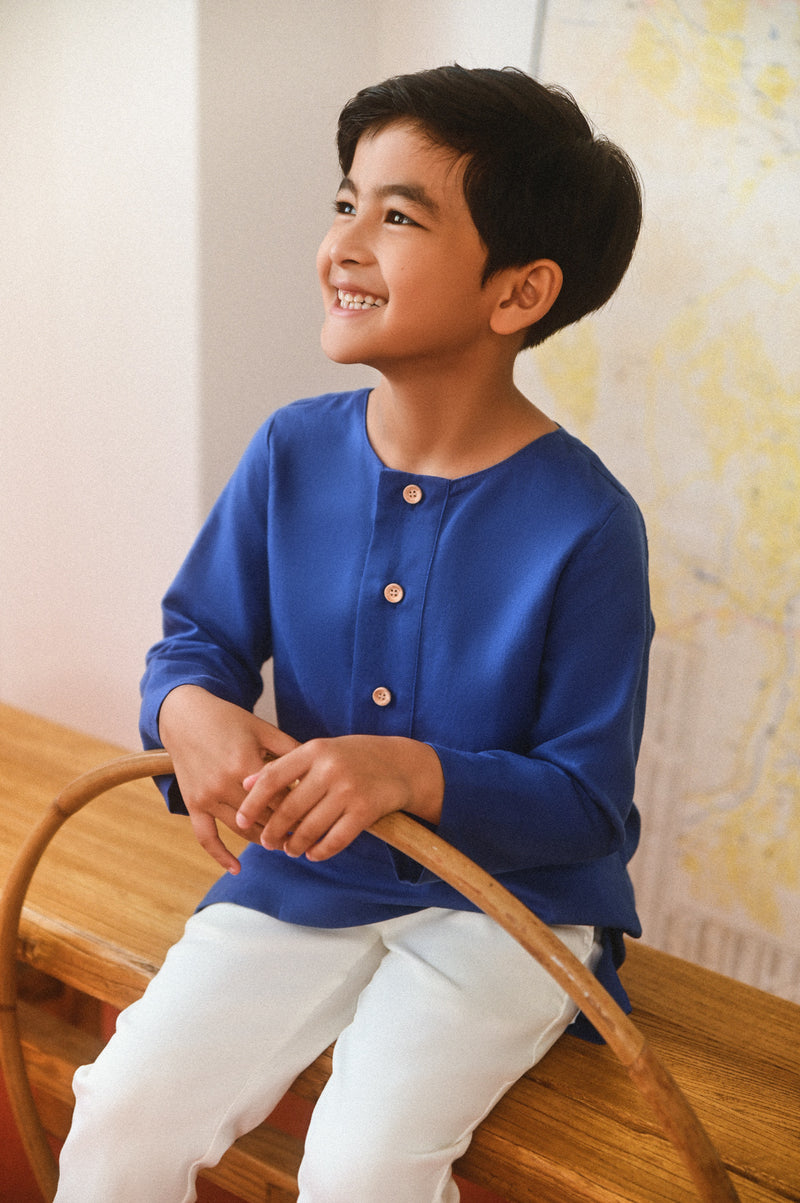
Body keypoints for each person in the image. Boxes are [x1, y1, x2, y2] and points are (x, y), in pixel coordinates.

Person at [54, 64, 652, 1202]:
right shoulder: (290, 451)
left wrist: (411, 773)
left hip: (508, 912)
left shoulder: (588, 525)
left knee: (362, 1165)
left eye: (398, 217)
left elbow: (587, 802)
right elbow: (195, 642)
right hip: (302, 878)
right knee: (121, 1110)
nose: (344, 244)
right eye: (345, 203)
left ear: (518, 293)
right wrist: (190, 711)